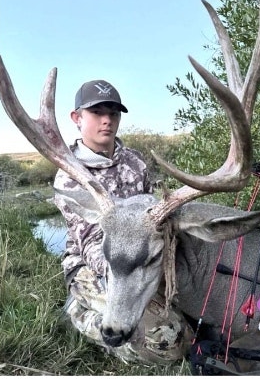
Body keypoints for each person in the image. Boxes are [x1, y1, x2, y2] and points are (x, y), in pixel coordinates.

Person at [54, 79, 191, 365]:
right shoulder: (69, 174)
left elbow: (152, 215)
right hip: (96, 264)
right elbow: (92, 242)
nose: (107, 121)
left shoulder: (135, 161)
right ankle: (81, 315)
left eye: (113, 113)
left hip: (142, 260)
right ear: (77, 118)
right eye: (97, 113)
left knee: (192, 315)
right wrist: (132, 277)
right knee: (167, 341)